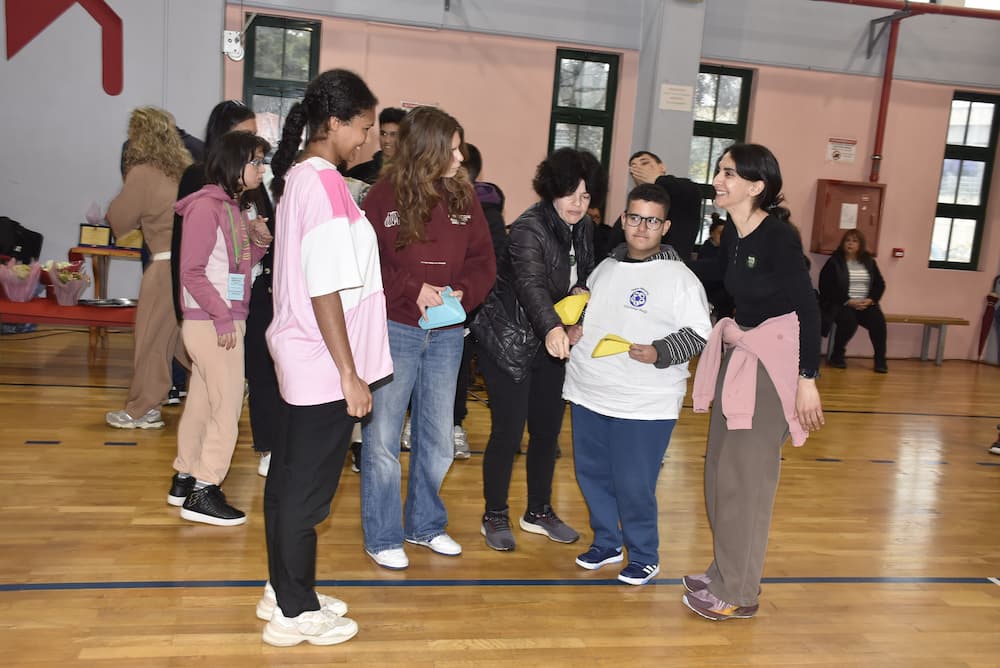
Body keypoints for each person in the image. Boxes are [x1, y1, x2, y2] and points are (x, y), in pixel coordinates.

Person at [262, 68, 390, 647]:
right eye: (363, 127)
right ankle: (294, 612)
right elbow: (325, 289)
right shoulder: (327, 186)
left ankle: (283, 590)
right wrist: (349, 373)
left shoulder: (300, 177)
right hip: (322, 365)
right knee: (307, 495)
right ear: (335, 123)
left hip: (301, 357)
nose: (367, 139)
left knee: (287, 481)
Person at [684, 143, 824, 621]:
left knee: (745, 480)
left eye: (729, 173)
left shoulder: (778, 237)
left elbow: (808, 307)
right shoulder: (733, 236)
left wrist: (808, 379)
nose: (718, 180)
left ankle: (739, 590)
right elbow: (719, 283)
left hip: (774, 365)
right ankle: (724, 570)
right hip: (741, 355)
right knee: (718, 472)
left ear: (756, 186)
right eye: (719, 171)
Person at [359, 106, 496, 570]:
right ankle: (382, 536)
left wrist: (463, 293)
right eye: (452, 149)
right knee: (382, 438)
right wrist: (412, 289)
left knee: (437, 437)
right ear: (427, 150)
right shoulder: (382, 197)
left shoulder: (464, 197)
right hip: (395, 329)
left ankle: (425, 525)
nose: (460, 158)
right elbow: (369, 263)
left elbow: (483, 261)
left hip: (447, 333)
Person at [564, 183, 711, 585]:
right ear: (623, 219)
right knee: (592, 474)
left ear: (665, 227)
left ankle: (644, 554)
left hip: (645, 400)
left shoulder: (680, 278)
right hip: (590, 390)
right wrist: (574, 328)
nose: (642, 228)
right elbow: (587, 315)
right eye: (634, 218)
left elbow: (700, 333)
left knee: (634, 483)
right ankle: (607, 542)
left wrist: (660, 350)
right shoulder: (605, 268)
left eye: (652, 221)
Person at [470, 147, 606, 552]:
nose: (577, 204)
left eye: (585, 196)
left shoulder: (583, 227)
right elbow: (530, 284)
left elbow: (582, 278)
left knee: (547, 432)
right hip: (509, 340)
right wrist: (553, 327)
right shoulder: (529, 228)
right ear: (551, 190)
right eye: (570, 194)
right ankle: (494, 513)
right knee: (509, 432)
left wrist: (576, 318)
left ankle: (538, 510)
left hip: (551, 340)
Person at [167, 101, 280, 476]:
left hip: (225, 315)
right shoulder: (206, 205)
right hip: (214, 320)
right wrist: (220, 317)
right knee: (226, 409)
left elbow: (237, 265)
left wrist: (258, 244)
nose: (261, 169)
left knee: (202, 403)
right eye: (256, 161)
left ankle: (185, 476)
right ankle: (207, 485)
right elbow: (191, 270)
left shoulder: (232, 205)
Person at [105, 107, 192, 429]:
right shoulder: (185, 171)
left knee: (151, 339)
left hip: (163, 266)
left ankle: (143, 409)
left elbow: (119, 219)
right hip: (191, 265)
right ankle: (223, 384)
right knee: (184, 340)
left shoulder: (143, 172)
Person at [451, 142, 507, 460]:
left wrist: (469, 293)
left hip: (477, 309)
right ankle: (420, 423)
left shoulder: (488, 212)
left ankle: (456, 426)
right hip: (440, 303)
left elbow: (493, 262)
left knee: (464, 369)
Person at [592, 150, 702, 261]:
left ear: (662, 167)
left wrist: (657, 179)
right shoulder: (629, 213)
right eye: (633, 169)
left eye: (644, 163)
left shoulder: (683, 196)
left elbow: (691, 191)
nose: (638, 170)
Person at [818, 229, 888, 373]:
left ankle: (880, 360)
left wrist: (871, 300)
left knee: (878, 323)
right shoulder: (834, 261)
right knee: (849, 322)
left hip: (865, 304)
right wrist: (847, 301)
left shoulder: (869, 262)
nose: (850, 244)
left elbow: (879, 284)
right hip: (842, 304)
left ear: (860, 244)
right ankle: (837, 355)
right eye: (847, 241)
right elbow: (826, 286)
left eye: (855, 241)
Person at [345, 106, 406, 184]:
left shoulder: (411, 173)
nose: (387, 140)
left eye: (393, 135)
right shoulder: (359, 173)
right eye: (383, 134)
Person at [697, 214, 733, 320]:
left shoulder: (728, 251)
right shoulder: (706, 250)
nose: (722, 237)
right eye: (719, 233)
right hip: (709, 288)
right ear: (712, 233)